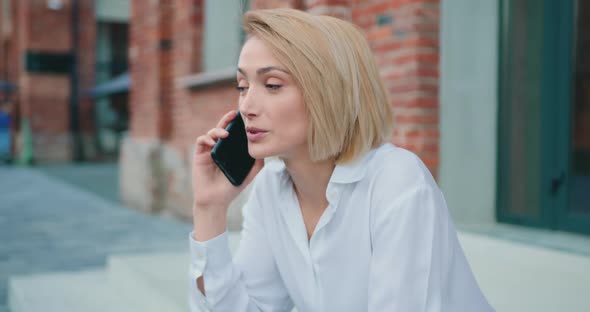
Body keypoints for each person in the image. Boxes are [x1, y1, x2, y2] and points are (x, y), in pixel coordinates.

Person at [189, 8, 494, 312]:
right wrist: (209, 208)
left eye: (272, 85)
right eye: (242, 87)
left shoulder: (397, 182)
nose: (247, 106)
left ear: (328, 92)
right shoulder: (271, 188)